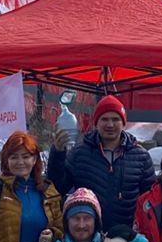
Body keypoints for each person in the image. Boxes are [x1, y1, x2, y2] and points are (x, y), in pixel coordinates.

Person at [48, 94, 155, 232]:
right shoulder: (80, 153)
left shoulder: (140, 156)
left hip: (126, 235)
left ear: (123, 122)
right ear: (96, 122)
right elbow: (59, 187)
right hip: (88, 234)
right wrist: (57, 153)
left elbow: (150, 199)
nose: (110, 124)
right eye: (104, 119)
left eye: (115, 119)